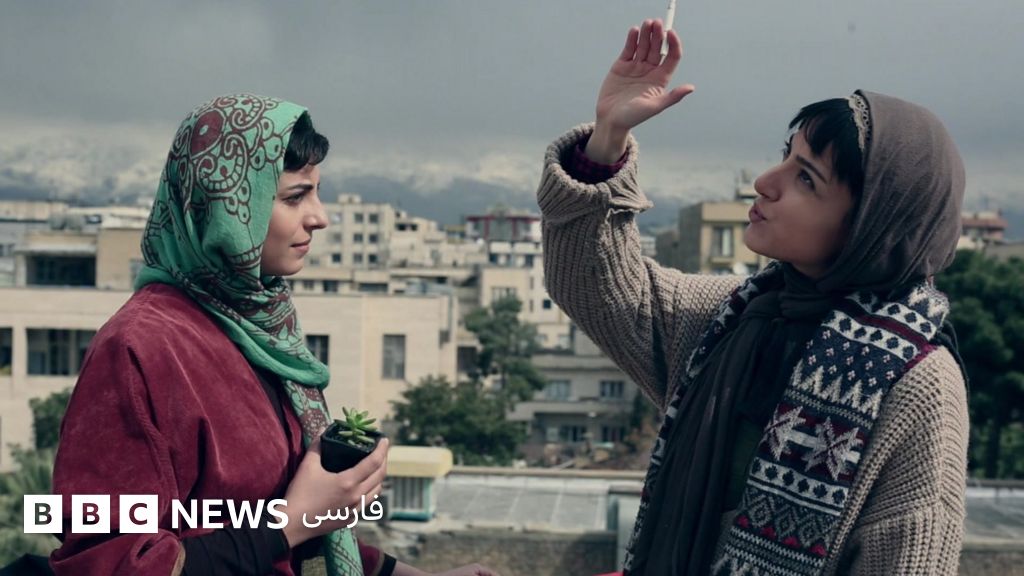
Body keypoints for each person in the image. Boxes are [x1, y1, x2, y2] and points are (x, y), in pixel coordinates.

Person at [539, 19, 968, 576]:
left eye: (806, 178)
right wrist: (608, 137)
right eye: (785, 155)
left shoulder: (917, 382)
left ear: (871, 225)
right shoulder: (733, 317)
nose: (767, 181)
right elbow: (595, 287)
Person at [51, 94, 500, 576]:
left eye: (317, 193)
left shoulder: (258, 327)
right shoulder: (140, 347)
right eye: (294, 197)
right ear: (226, 208)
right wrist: (287, 524)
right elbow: (106, 561)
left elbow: (284, 529)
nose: (319, 217)